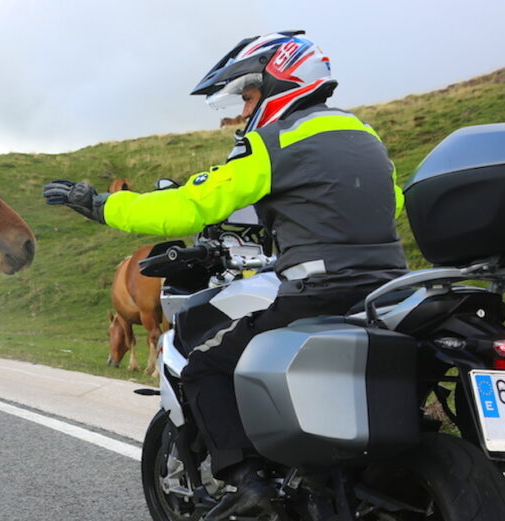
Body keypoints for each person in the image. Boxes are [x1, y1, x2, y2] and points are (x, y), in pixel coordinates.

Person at [44, 30, 407, 521]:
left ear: (283, 81)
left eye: (249, 95)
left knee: (204, 366)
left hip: (317, 291)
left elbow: (191, 205)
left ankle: (248, 482)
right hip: (387, 291)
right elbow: (388, 203)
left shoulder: (275, 142)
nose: (242, 110)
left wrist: (103, 204)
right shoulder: (366, 137)